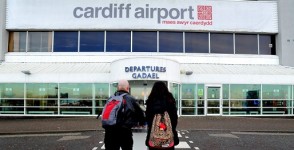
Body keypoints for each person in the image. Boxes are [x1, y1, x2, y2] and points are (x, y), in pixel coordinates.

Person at [104, 80, 145, 150]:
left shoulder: (111, 98)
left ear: (117, 88)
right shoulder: (130, 99)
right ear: (127, 88)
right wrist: (141, 122)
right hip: (124, 132)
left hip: (109, 132)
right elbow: (140, 114)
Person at [145, 81, 179, 150]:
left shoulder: (151, 101)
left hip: (154, 137)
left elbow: (148, 119)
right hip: (168, 137)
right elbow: (174, 118)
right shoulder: (170, 100)